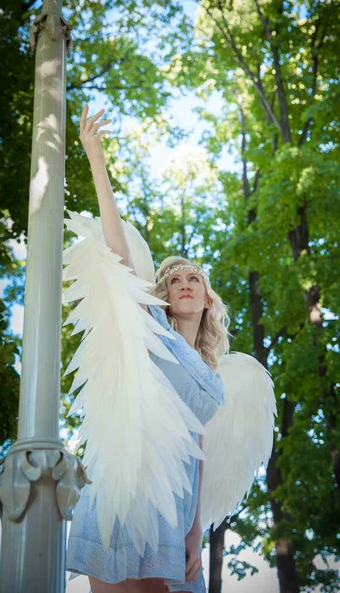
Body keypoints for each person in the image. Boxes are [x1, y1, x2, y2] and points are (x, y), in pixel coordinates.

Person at [65, 105, 230, 593]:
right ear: (161, 297)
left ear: (206, 297)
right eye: (172, 279)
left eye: (193, 278)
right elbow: (117, 253)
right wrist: (96, 157)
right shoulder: (150, 328)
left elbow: (197, 453)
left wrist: (196, 531)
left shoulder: (211, 374)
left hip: (176, 504)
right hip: (128, 486)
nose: (183, 283)